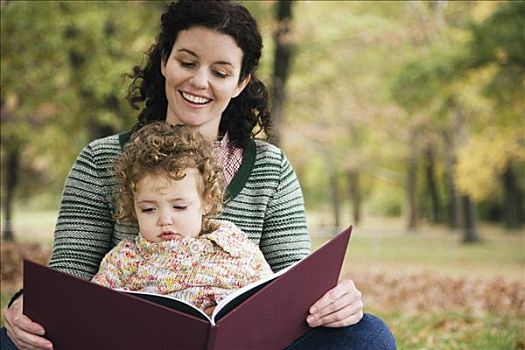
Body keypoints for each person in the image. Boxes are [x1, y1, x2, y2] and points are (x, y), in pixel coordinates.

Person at [1, 1, 396, 349]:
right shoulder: (101, 159)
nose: (199, 81)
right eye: (187, 62)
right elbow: (70, 274)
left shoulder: (270, 169)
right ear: (164, 62)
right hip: (129, 341)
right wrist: (27, 306)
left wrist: (334, 303)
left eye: (220, 72)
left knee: (368, 336)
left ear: (241, 83)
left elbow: (293, 285)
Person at [91, 122, 273, 316]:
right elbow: (93, 309)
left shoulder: (235, 246)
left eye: (179, 207)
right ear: (134, 209)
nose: (165, 220)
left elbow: (270, 298)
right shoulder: (124, 260)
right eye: (148, 209)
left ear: (207, 201)